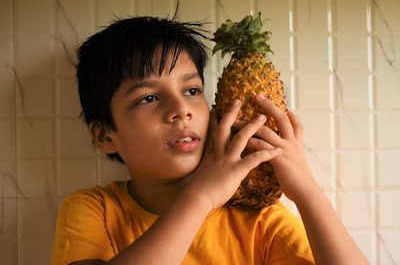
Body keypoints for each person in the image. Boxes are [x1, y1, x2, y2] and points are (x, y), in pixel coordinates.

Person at [50, 16, 368, 265]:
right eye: (148, 97)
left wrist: (306, 191)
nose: (181, 110)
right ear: (105, 135)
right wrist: (200, 197)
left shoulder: (260, 221)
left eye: (191, 91)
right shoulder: (94, 209)